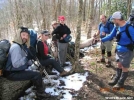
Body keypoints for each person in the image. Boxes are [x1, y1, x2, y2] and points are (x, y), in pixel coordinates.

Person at [4, 27, 51, 98]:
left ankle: (37, 87)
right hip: (12, 73)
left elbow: (24, 61)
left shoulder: (22, 46)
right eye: (23, 35)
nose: (25, 37)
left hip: (16, 70)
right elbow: (16, 64)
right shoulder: (16, 47)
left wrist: (32, 59)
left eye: (27, 35)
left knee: (35, 70)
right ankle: (40, 93)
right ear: (18, 35)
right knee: (37, 74)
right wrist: (27, 58)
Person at [101, 11, 134, 89]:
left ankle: (120, 83)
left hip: (127, 50)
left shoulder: (129, 27)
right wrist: (101, 39)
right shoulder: (117, 27)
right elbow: (111, 36)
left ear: (117, 19)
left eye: (113, 20)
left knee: (124, 67)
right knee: (119, 65)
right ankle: (116, 79)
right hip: (118, 49)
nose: (113, 21)